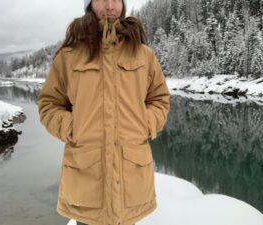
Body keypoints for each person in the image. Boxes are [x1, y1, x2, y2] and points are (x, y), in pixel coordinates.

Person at [37, 0, 170, 224]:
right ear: (90, 4)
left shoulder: (143, 54)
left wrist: (145, 124)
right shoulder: (69, 56)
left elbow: (159, 99)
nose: (110, 7)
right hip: (87, 181)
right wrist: (73, 127)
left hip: (131, 178)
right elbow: (49, 104)